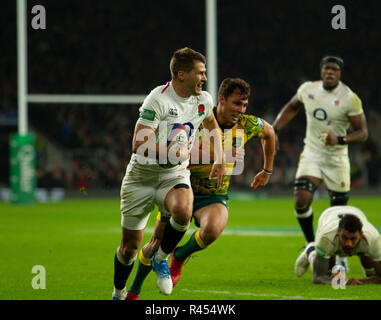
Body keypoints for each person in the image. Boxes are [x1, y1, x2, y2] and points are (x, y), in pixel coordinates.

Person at [125, 77, 276, 300]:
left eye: (244, 105)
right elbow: (186, 154)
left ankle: (180, 256)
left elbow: (269, 133)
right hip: (180, 189)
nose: (241, 110)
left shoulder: (247, 125)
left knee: (213, 229)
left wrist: (267, 170)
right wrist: (223, 156)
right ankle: (134, 290)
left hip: (213, 195)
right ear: (221, 99)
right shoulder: (198, 116)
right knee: (155, 245)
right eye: (236, 103)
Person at [112, 47, 225, 300]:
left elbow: (212, 127)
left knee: (183, 212)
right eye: (200, 73)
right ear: (182, 74)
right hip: (141, 178)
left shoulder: (203, 100)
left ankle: (161, 258)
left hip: (173, 175)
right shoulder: (158, 99)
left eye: (205, 73)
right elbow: (139, 144)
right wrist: (171, 153)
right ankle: (118, 292)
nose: (205, 78)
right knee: (129, 249)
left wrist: (219, 158)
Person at [272, 56, 368, 253]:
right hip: (312, 154)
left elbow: (363, 133)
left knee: (338, 211)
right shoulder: (308, 89)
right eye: (327, 69)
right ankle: (311, 243)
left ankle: (339, 254)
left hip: (337, 158)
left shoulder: (350, 98)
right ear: (321, 71)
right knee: (301, 198)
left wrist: (339, 139)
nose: (330, 72)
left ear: (339, 74)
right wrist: (274, 130)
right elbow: (291, 108)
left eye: (334, 69)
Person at [294, 205, 381, 285]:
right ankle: (311, 251)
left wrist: (359, 281)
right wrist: (345, 282)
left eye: (353, 238)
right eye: (344, 238)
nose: (348, 244)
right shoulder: (327, 237)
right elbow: (318, 277)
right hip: (328, 215)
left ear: (361, 234)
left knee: (371, 271)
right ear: (338, 232)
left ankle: (364, 260)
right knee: (328, 272)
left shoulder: (374, 238)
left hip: (356, 211)